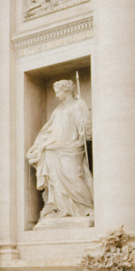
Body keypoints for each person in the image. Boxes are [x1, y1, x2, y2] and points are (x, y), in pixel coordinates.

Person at [27, 79, 93, 221]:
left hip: (71, 147)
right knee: (55, 180)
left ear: (66, 90)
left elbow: (86, 125)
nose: (56, 95)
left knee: (73, 176)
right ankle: (62, 208)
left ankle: (86, 206)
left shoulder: (79, 104)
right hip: (54, 147)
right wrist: (39, 145)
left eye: (58, 92)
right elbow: (49, 129)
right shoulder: (58, 110)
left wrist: (84, 131)